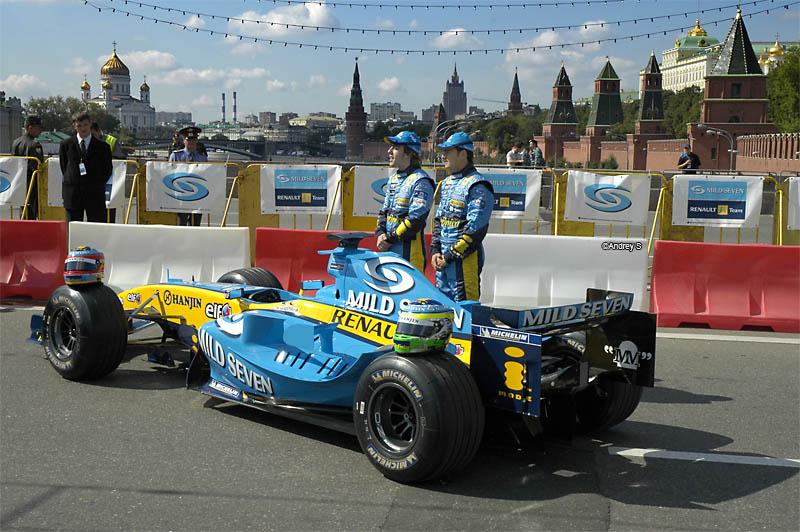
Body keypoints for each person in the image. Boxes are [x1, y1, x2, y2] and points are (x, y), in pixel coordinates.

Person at [430, 132, 494, 302]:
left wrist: (449, 256)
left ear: (463, 153)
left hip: (463, 262)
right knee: (443, 311)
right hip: (442, 263)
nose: (443, 155)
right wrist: (435, 250)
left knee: (466, 313)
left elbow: (475, 229)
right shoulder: (447, 183)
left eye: (448, 151)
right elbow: (439, 220)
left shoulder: (478, 185)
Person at [375, 131, 435, 273]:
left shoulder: (421, 181)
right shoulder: (394, 179)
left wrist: (388, 239)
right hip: (389, 252)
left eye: (395, 147)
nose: (389, 151)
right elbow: (384, 211)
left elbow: (415, 220)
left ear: (408, 153)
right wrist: (380, 233)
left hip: (410, 256)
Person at [59, 111, 112, 223]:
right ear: (74, 126)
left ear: (90, 124)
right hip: (73, 195)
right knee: (73, 231)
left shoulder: (103, 147)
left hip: (95, 195)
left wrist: (95, 184)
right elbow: (64, 167)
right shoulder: (65, 145)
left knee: (97, 229)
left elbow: (107, 170)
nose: (83, 128)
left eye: (85, 125)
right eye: (79, 125)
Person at [168, 126, 208, 226]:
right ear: (184, 140)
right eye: (188, 139)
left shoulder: (202, 158)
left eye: (193, 139)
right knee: (181, 224)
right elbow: (168, 174)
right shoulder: (176, 156)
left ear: (197, 140)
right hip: (181, 196)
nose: (191, 142)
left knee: (195, 225)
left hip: (198, 196)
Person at [11, 115, 44, 219]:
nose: (40, 130)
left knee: (23, 209)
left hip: (19, 182)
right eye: (38, 127)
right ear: (30, 127)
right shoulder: (34, 144)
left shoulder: (16, 142)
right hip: (32, 183)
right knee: (32, 211)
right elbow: (38, 167)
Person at [91, 122, 124, 223]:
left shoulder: (111, 141)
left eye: (93, 134)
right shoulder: (87, 141)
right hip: (93, 181)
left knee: (110, 209)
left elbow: (120, 159)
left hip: (110, 181)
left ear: (99, 131)